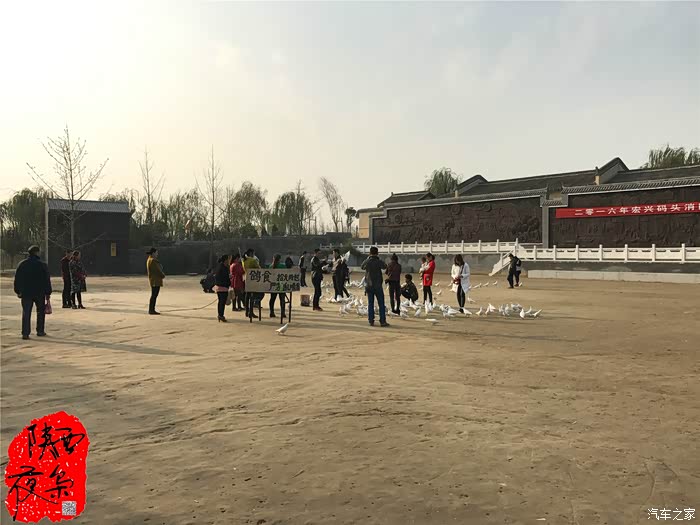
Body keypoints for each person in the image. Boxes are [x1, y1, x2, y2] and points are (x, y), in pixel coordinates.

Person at [14, 245, 52, 340]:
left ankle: (25, 333)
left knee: (26, 312)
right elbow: (47, 280)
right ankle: (40, 331)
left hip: (26, 293)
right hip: (39, 292)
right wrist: (48, 292)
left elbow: (17, 279)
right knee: (40, 312)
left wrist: (18, 291)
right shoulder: (42, 265)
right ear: (37, 252)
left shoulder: (22, 264)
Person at [361, 246, 389, 327]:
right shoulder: (378, 261)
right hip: (378, 285)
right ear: (377, 253)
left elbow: (362, 266)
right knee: (381, 304)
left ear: (369, 253)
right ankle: (382, 321)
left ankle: (371, 320)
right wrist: (378, 259)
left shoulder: (368, 261)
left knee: (370, 303)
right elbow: (385, 266)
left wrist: (368, 258)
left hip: (369, 285)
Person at [242, 248, 262, 317]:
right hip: (252, 279)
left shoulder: (244, 260)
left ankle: (247, 311)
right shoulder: (253, 260)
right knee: (252, 296)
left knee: (247, 296)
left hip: (246, 278)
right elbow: (259, 268)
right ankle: (251, 312)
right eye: (253, 253)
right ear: (251, 253)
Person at [268, 254, 287, 318]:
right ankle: (282, 313)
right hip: (281, 284)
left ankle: (271, 312)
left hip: (273, 285)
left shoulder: (270, 266)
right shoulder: (282, 266)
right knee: (282, 299)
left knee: (272, 299)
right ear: (280, 259)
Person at [146, 247, 165, 315]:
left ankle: (151, 309)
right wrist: (163, 275)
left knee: (153, 295)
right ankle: (151, 310)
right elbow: (158, 270)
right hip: (156, 281)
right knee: (154, 295)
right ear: (153, 253)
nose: (157, 254)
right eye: (156, 253)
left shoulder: (149, 260)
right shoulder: (153, 261)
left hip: (152, 280)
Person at [214, 254, 231, 322]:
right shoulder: (222, 267)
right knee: (222, 302)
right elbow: (221, 277)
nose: (229, 261)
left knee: (221, 302)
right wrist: (228, 279)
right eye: (228, 259)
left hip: (221, 286)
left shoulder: (221, 267)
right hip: (222, 286)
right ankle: (221, 315)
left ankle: (220, 315)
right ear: (225, 260)